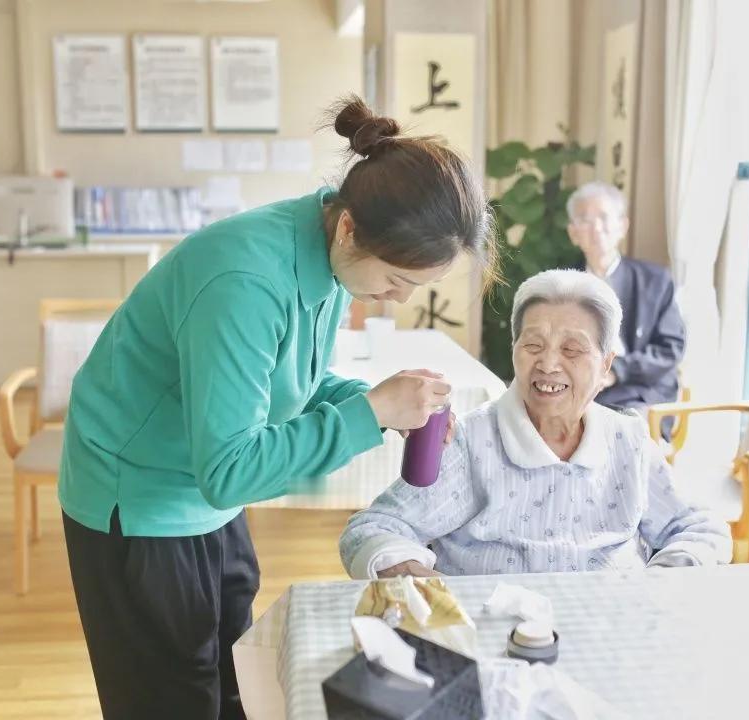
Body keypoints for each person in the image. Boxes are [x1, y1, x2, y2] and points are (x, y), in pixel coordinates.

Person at [58, 96, 494, 719]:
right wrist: (370, 414)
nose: (397, 299)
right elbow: (229, 471)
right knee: (172, 698)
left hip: (204, 484)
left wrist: (372, 401)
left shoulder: (327, 254)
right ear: (350, 228)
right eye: (397, 280)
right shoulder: (245, 281)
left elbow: (288, 384)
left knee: (236, 676)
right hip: (140, 497)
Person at [339, 269, 730, 580]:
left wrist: (663, 583)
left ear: (605, 366)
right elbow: (373, 528)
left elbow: (698, 527)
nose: (548, 364)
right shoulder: (471, 441)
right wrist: (423, 585)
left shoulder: (628, 441)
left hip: (613, 627)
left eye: (572, 349)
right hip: (492, 633)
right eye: (533, 345)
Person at [566, 181, 686, 438]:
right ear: (573, 233)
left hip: (639, 389)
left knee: (616, 430)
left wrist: (616, 371)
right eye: (585, 220)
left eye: (604, 217)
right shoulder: (563, 284)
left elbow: (670, 349)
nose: (596, 228)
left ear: (622, 226)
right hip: (580, 387)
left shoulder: (655, 281)